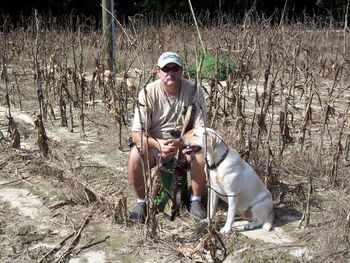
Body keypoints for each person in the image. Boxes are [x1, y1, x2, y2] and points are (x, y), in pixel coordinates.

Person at [128, 51, 207, 221]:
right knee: (135, 156)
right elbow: (136, 134)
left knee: (201, 153)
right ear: (158, 71)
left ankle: (196, 200)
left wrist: (181, 143)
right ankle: (141, 202)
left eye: (175, 68)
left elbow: (201, 130)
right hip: (156, 144)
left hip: (185, 143)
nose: (170, 73)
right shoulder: (147, 92)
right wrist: (158, 145)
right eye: (166, 69)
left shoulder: (194, 90)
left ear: (181, 71)